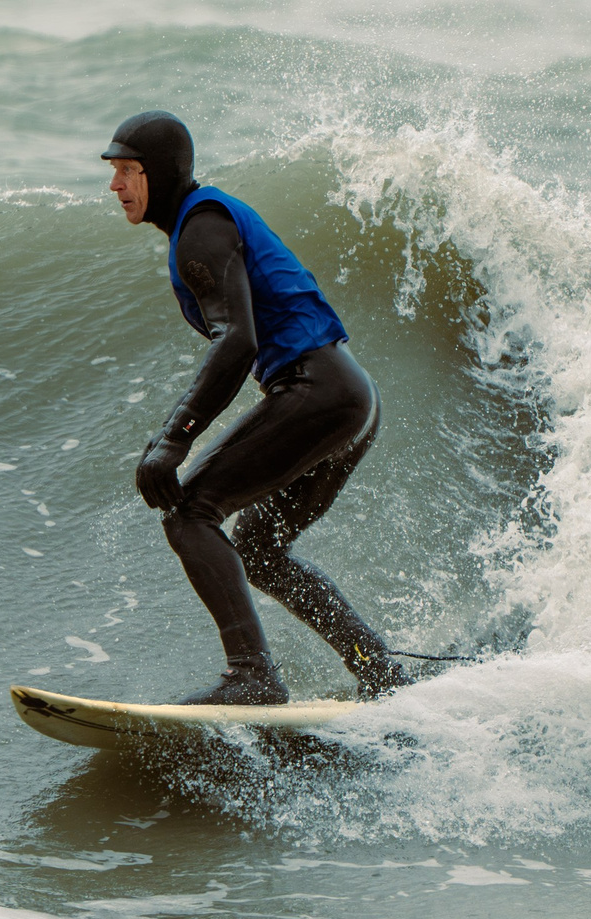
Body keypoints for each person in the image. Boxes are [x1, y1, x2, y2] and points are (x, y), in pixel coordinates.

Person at [101, 110, 413, 706]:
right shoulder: (205, 221)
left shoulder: (201, 227)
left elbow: (237, 341)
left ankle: (253, 675)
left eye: (127, 171)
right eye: (113, 171)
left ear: (159, 173)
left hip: (317, 387)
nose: (115, 185)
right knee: (261, 553)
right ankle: (378, 668)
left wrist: (174, 438)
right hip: (348, 395)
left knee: (190, 516)